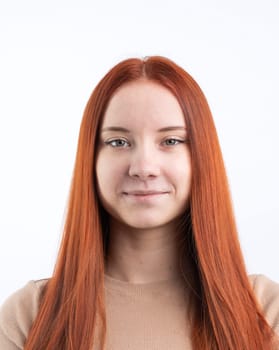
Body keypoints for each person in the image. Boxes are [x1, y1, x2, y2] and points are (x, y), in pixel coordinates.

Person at [0, 56, 279, 350]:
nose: (144, 166)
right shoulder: (30, 316)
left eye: (171, 141)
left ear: (202, 157)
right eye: (118, 142)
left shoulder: (265, 313)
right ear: (91, 160)